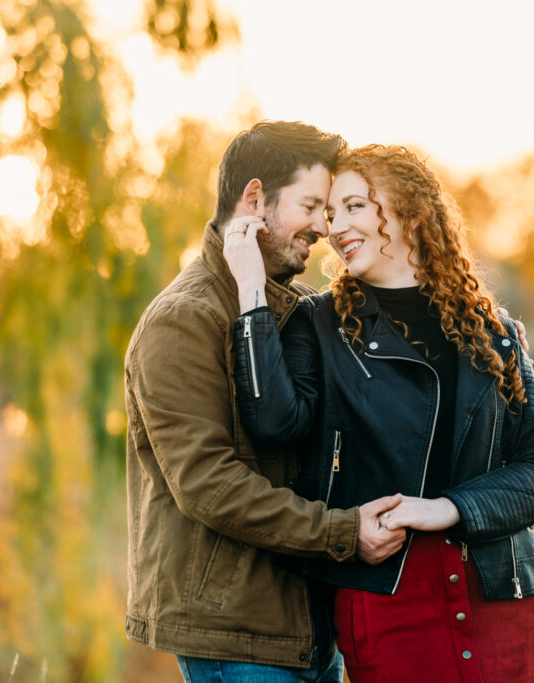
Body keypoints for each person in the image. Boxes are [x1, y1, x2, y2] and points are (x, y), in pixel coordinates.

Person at [223, 144, 534, 682]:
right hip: (387, 601)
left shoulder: (492, 329)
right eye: (332, 214)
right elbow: (274, 423)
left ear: (409, 211)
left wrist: (448, 508)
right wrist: (250, 291)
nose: (336, 228)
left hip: (505, 595)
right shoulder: (318, 324)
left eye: (356, 206)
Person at [124, 122, 409, 683]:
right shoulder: (185, 319)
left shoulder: (301, 308)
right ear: (255, 199)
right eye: (311, 205)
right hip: (238, 635)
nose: (325, 229)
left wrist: (482, 338)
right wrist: (342, 532)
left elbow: (391, 369)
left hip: (309, 627)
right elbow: (209, 483)